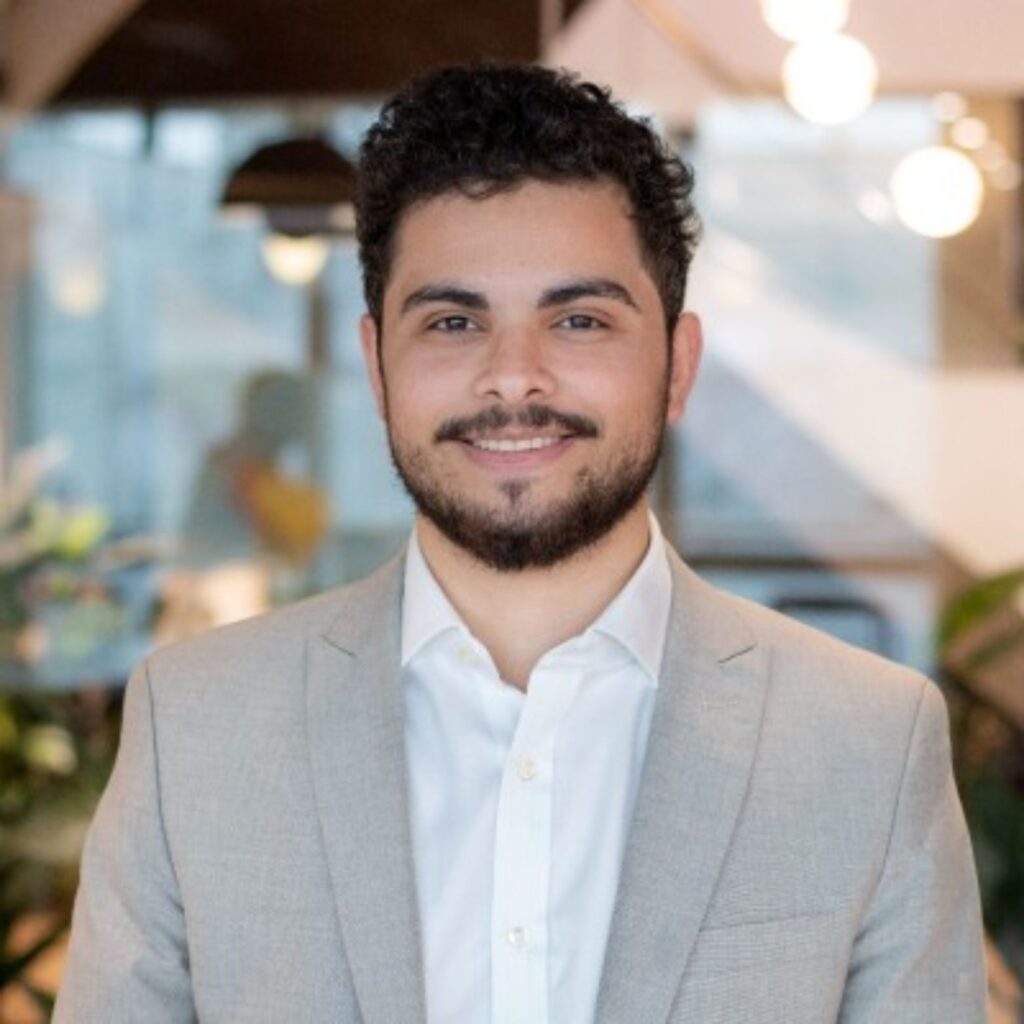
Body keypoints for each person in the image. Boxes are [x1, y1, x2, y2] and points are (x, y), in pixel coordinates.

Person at [54, 63, 988, 1023]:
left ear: (677, 366)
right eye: (454, 321)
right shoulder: (195, 728)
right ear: (377, 367)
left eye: (579, 320)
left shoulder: (868, 745)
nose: (513, 378)